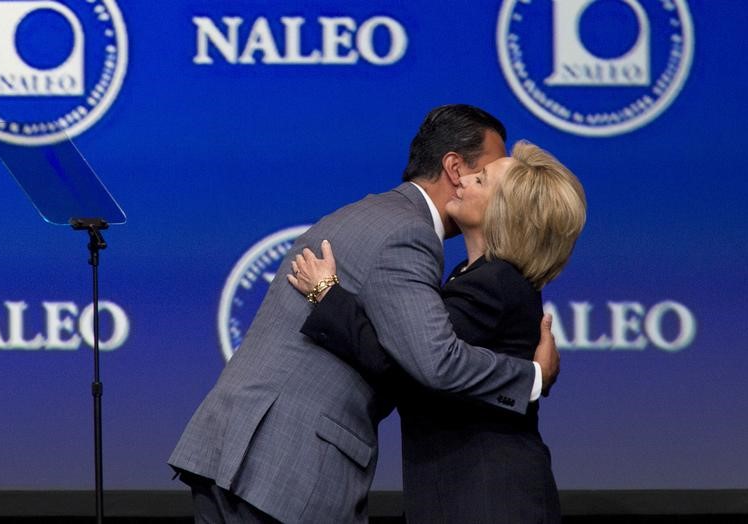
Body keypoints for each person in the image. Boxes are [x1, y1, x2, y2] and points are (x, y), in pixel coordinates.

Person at [169, 105, 560, 523]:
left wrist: (329, 295)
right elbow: (433, 360)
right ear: (453, 168)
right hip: (283, 466)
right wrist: (530, 378)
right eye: (481, 172)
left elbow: (403, 360)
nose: (472, 183)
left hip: (243, 454)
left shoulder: (375, 215)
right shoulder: (409, 233)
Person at [290, 140, 586, 523]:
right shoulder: (477, 276)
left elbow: (410, 367)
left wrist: (327, 294)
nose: (461, 179)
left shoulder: (496, 283)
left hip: (488, 497)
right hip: (471, 492)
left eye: (479, 179)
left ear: (505, 212)